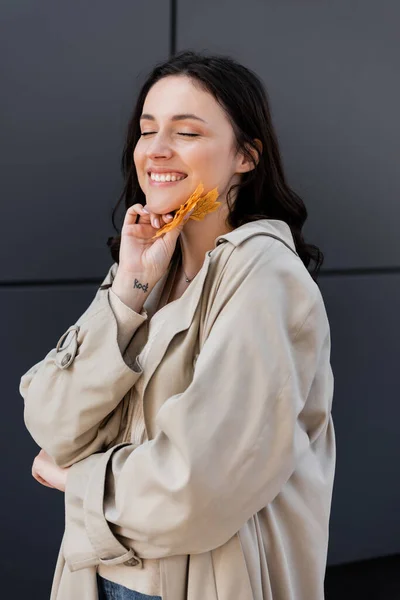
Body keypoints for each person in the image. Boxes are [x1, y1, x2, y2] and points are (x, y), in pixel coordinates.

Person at [20, 50, 335, 600]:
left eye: (186, 132)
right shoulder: (150, 270)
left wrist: (79, 481)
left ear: (246, 156)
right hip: (96, 577)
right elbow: (51, 422)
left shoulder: (264, 276)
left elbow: (201, 484)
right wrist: (127, 294)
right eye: (147, 131)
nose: (157, 150)